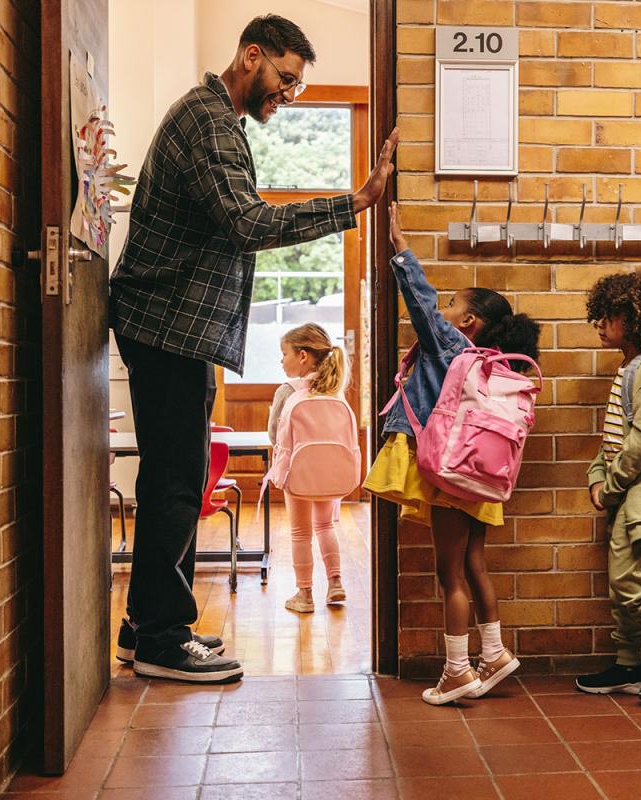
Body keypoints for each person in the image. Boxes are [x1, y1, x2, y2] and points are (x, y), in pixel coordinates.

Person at [109, 14, 398, 683]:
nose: (288, 95)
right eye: (285, 80)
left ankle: (147, 623)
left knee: (174, 478)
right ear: (252, 55)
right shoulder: (210, 124)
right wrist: (353, 202)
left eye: (297, 87)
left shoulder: (217, 120)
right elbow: (247, 222)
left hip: (178, 328)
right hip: (167, 326)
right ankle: (159, 638)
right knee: (178, 482)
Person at [364, 203, 541, 705]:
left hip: (453, 471)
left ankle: (458, 672)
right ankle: (495, 653)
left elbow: (419, 300)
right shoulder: (498, 366)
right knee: (475, 563)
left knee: (449, 573)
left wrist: (399, 247)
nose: (441, 313)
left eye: (451, 308)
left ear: (469, 321)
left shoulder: (454, 347)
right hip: (484, 474)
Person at [576, 271, 641, 707]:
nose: (600, 323)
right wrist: (598, 477)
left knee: (630, 582)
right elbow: (612, 440)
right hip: (625, 488)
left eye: (610, 314)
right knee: (622, 585)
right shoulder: (631, 367)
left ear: (638, 318)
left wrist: (614, 485)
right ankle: (629, 664)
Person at [267, 323, 349, 613]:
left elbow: (274, 433)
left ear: (302, 356)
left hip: (297, 473)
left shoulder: (287, 391)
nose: (282, 360)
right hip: (330, 472)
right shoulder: (334, 390)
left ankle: (305, 594)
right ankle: (336, 582)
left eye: (284, 353)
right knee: (326, 525)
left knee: (300, 532)